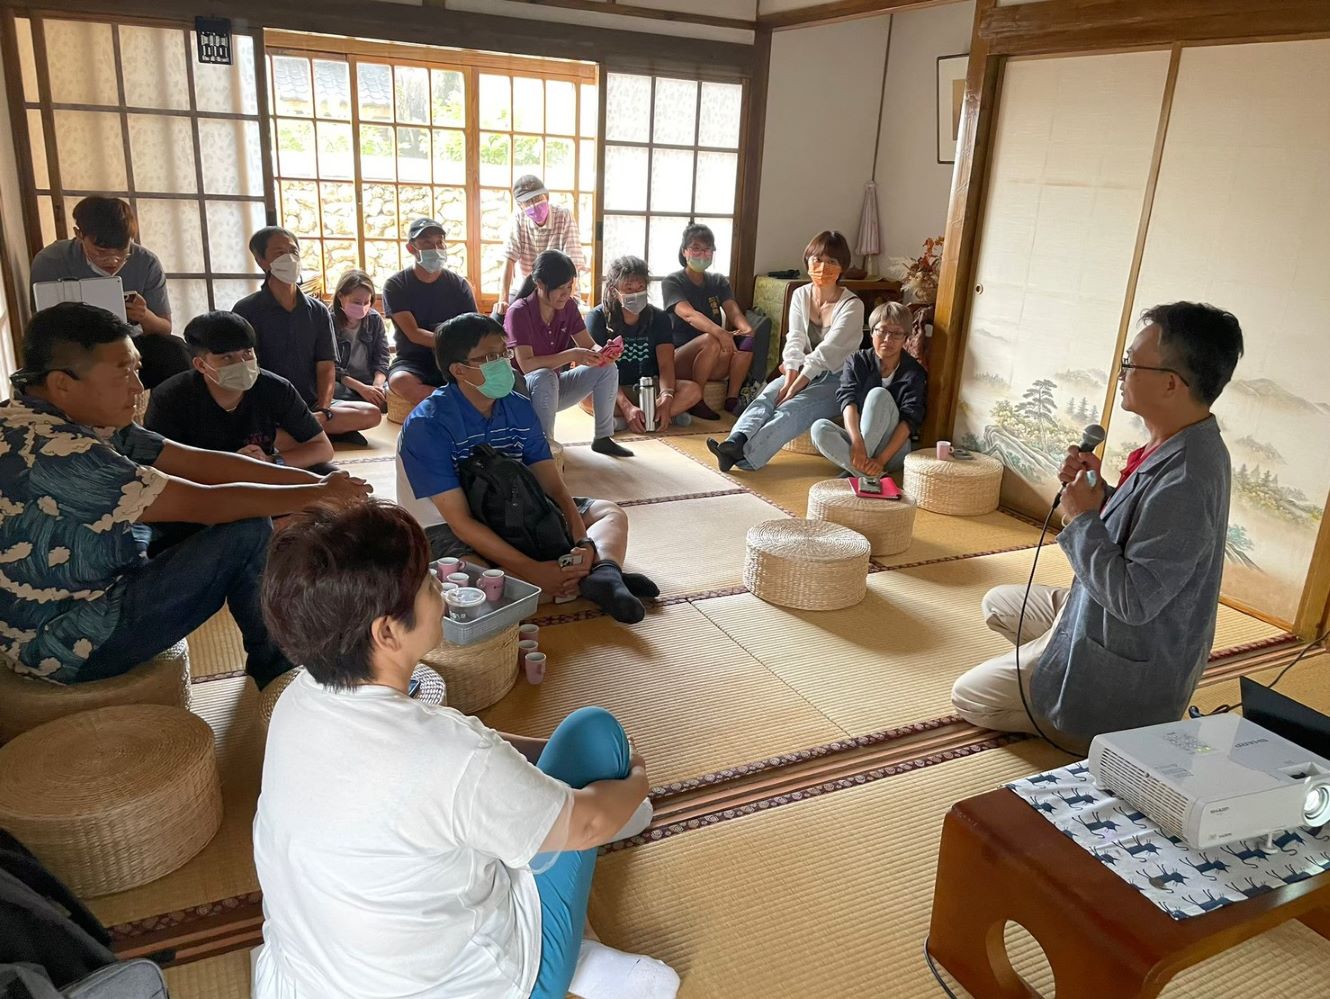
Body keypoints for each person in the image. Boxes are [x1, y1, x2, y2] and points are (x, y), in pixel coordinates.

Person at [252, 501, 679, 999]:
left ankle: (583, 810)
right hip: (469, 984)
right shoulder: (452, 756)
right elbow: (588, 824)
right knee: (594, 736)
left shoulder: (299, 699)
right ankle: (578, 955)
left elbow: (462, 754)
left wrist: (537, 754)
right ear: (386, 632)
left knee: (473, 811)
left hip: (310, 976)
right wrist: (636, 777)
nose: (439, 586)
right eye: (427, 583)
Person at [0, 303, 370, 688]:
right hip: (66, 640)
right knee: (247, 532)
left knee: (244, 513)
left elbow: (201, 462)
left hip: (80, 589)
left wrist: (317, 486)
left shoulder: (38, 414)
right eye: (123, 373)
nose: (137, 387)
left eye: (136, 369)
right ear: (62, 383)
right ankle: (278, 671)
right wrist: (317, 494)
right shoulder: (58, 452)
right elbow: (207, 502)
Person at [951, 302, 1245, 750]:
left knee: (968, 696)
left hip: (1131, 656)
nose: (1121, 373)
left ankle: (1095, 726)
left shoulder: (1187, 478)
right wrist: (1102, 495)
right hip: (1096, 612)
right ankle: (1050, 656)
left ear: (1171, 383)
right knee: (998, 603)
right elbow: (1139, 529)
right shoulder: (1181, 440)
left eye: (1131, 363)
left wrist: (1083, 516)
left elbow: (1134, 602)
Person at [397, 314, 658, 624]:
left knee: (608, 513)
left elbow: (552, 485)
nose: (502, 364)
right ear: (458, 370)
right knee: (468, 581)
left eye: (503, 353)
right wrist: (533, 570)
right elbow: (460, 521)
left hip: (512, 508)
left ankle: (602, 575)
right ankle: (589, 576)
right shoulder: (428, 425)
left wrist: (582, 542)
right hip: (447, 525)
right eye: (489, 358)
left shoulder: (517, 406)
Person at [707, 230, 863, 473]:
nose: (823, 267)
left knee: (790, 408)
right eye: (817, 259)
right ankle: (734, 442)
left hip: (837, 379)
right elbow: (795, 339)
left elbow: (826, 352)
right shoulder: (801, 294)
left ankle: (746, 458)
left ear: (842, 267)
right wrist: (789, 378)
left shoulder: (852, 305)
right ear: (808, 261)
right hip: (801, 370)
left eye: (832, 261)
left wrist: (794, 387)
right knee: (767, 396)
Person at [232, 227, 382, 444]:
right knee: (246, 427)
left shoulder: (317, 311)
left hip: (311, 405)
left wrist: (323, 409)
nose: (289, 258)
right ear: (261, 261)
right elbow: (246, 369)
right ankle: (316, 432)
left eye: (293, 251)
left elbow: (326, 366)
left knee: (371, 414)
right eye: (279, 252)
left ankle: (305, 431)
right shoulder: (246, 310)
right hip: (269, 406)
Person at [29, 196, 189, 389]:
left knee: (175, 350)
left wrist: (144, 315)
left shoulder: (146, 262)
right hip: (74, 349)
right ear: (79, 234)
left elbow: (164, 328)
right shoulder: (51, 261)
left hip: (129, 343)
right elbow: (41, 328)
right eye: (101, 252)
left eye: (122, 252)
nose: (112, 261)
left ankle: (167, 406)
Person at [146, 312, 336, 474]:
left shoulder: (276, 388)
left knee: (330, 475)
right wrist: (231, 465)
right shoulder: (171, 397)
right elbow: (159, 464)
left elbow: (322, 448)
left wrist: (271, 461)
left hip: (261, 474)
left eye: (247, 353)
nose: (242, 364)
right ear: (201, 365)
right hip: (202, 484)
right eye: (227, 357)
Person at [505, 250, 630, 458]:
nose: (566, 294)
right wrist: (572, 355)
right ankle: (544, 447)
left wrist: (603, 352)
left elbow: (588, 345)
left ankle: (603, 437)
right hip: (524, 393)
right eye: (559, 288)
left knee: (607, 368)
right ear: (539, 283)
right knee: (544, 376)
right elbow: (527, 365)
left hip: (552, 388)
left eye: (569, 287)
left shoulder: (568, 306)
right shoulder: (519, 312)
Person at [584, 255, 700, 433]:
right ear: (614, 291)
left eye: (641, 288)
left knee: (693, 391)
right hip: (613, 389)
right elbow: (598, 368)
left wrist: (667, 397)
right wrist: (625, 406)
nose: (636, 293)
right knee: (584, 397)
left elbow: (666, 364)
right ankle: (656, 417)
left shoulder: (659, 318)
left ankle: (633, 419)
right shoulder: (598, 318)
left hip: (649, 387)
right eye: (629, 288)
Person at [811, 301, 926, 478]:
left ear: (906, 338)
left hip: (892, 452)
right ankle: (871, 476)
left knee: (878, 395)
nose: (887, 339)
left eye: (896, 334)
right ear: (872, 332)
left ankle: (855, 473)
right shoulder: (856, 361)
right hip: (859, 443)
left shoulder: (914, 372)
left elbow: (909, 421)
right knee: (819, 429)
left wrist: (880, 461)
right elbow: (848, 402)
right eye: (882, 331)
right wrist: (857, 442)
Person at [662, 223, 755, 418]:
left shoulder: (718, 281)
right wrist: (720, 332)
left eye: (707, 249)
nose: (702, 254)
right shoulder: (672, 282)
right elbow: (689, 314)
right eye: (696, 248)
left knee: (746, 342)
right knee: (710, 339)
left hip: (713, 356)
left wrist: (746, 329)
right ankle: (697, 400)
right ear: (684, 251)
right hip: (680, 357)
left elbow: (733, 311)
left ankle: (732, 399)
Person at [383, 218, 478, 406]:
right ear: (411, 248)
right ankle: (457, 403)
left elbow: (473, 327)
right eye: (427, 243)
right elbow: (414, 333)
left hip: (455, 358)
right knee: (400, 381)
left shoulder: (459, 285)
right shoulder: (396, 285)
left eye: (439, 243)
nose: (435, 248)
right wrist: (453, 343)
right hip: (413, 360)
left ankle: (453, 403)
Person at [498, 174, 588, 315]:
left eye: (538, 199)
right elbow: (509, 259)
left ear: (547, 197)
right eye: (528, 202)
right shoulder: (518, 219)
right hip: (527, 289)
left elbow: (573, 263)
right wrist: (502, 300)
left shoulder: (564, 215)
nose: (534, 206)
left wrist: (567, 299)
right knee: (500, 317)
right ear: (520, 206)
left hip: (560, 287)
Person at [331, 269, 390, 413]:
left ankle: (361, 405)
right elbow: (332, 368)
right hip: (344, 383)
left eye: (366, 302)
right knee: (330, 389)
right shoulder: (328, 321)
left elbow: (382, 357)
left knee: (395, 388)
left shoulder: (374, 320)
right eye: (356, 302)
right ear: (340, 296)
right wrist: (362, 389)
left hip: (370, 379)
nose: (362, 307)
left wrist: (377, 387)